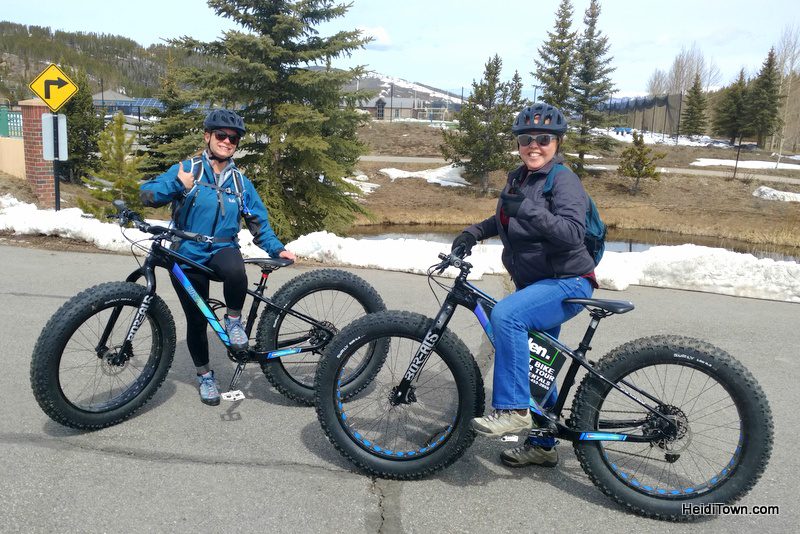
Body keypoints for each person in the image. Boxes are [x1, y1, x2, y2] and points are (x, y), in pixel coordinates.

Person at [451, 103, 597, 468]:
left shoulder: (563, 179)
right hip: (538, 285)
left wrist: (528, 211)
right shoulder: (518, 178)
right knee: (536, 368)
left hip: (568, 282)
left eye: (543, 139)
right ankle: (544, 443)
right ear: (518, 144)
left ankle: (513, 410)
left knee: (507, 316)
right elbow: (503, 216)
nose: (534, 145)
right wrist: (474, 232)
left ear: (557, 143)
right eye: (526, 139)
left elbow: (571, 232)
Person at [140, 109, 296, 406]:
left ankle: (233, 321)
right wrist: (177, 185)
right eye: (221, 135)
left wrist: (276, 249)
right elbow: (148, 193)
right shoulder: (188, 170)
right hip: (187, 252)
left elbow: (258, 223)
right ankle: (205, 376)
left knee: (236, 270)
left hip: (223, 248)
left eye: (233, 138)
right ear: (207, 136)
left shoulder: (240, 182)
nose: (227, 141)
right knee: (196, 320)